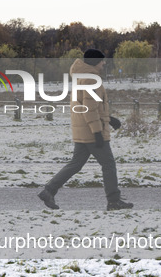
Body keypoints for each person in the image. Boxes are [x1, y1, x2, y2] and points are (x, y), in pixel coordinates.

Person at [38, 49, 133, 211]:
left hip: (83, 129)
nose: (104, 64)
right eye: (102, 61)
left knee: (75, 164)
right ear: (95, 62)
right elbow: (89, 109)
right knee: (108, 164)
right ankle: (113, 201)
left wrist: (109, 119)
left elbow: (92, 106)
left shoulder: (81, 78)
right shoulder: (90, 80)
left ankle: (49, 191)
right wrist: (97, 131)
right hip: (90, 131)